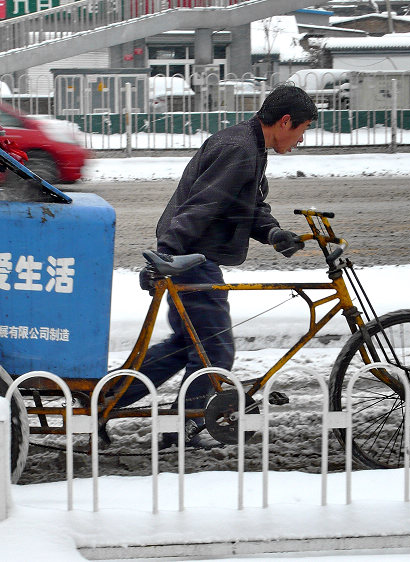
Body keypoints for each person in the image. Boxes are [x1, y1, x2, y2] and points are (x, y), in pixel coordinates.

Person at [118, 84, 318, 448]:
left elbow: (247, 204)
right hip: (191, 257)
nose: (302, 139)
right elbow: (202, 205)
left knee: (185, 345)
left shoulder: (250, 146)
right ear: (286, 121)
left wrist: (273, 233)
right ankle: (182, 430)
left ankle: (105, 402)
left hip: (191, 256)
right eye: (303, 130)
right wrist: (167, 254)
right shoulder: (240, 149)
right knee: (215, 350)